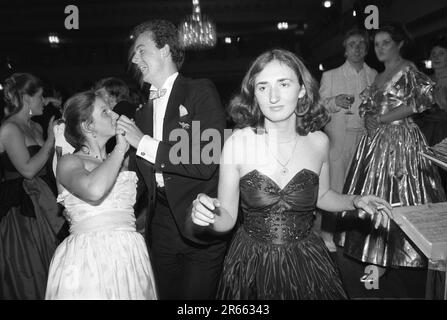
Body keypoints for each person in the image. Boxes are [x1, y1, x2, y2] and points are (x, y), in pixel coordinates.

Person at [190, 49, 392, 300]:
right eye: (262, 87)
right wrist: (208, 214)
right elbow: (228, 219)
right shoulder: (236, 143)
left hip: (307, 261)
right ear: (254, 95)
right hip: (252, 263)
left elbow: (324, 196)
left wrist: (355, 200)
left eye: (283, 84)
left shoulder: (319, 141)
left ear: (301, 89)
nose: (273, 97)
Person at [116, 19, 228, 299]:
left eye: (141, 50)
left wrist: (142, 142)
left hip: (199, 222)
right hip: (160, 227)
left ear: (165, 49)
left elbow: (205, 161)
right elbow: (142, 182)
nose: (134, 58)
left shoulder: (200, 91)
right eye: (133, 53)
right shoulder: (142, 114)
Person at [336, 23, 446, 297]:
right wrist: (370, 115)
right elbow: (369, 105)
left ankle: (403, 253)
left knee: (402, 196)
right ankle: (379, 256)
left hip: (401, 143)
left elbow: (421, 102)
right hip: (375, 145)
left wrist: (382, 118)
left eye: (386, 42)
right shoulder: (380, 75)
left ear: (399, 44)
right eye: (377, 44)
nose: (380, 48)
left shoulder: (408, 69)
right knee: (375, 196)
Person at [45, 90, 157, 300]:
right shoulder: (70, 162)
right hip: (90, 257)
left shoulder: (121, 163)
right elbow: (94, 190)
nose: (115, 115)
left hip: (129, 255)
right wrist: (120, 149)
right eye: (105, 112)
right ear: (88, 126)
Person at [0, 73, 65, 299]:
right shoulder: (9, 129)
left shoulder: (35, 127)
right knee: (31, 271)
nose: (43, 101)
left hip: (45, 201)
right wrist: (50, 140)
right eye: (39, 97)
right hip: (22, 212)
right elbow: (27, 170)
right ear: (27, 99)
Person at [318, 28, 377, 252]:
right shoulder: (330, 75)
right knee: (335, 186)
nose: (357, 48)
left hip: (365, 138)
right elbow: (319, 107)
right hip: (339, 139)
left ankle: (355, 234)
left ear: (366, 49)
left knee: (361, 185)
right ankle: (327, 234)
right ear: (345, 49)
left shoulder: (374, 75)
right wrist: (334, 101)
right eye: (352, 44)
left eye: (361, 44)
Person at [414, 36, 447, 191]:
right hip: (426, 134)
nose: (435, 57)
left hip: (444, 135)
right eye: (433, 53)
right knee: (429, 182)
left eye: (441, 53)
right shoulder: (425, 81)